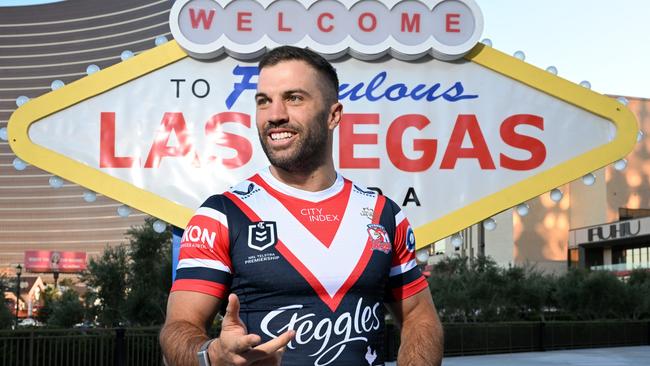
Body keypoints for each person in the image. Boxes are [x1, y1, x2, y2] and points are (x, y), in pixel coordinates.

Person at [160, 46, 443, 366]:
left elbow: (420, 317)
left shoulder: (384, 214)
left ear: (333, 115)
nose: (275, 114)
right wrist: (211, 355)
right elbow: (179, 328)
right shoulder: (222, 214)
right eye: (263, 101)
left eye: (294, 98)